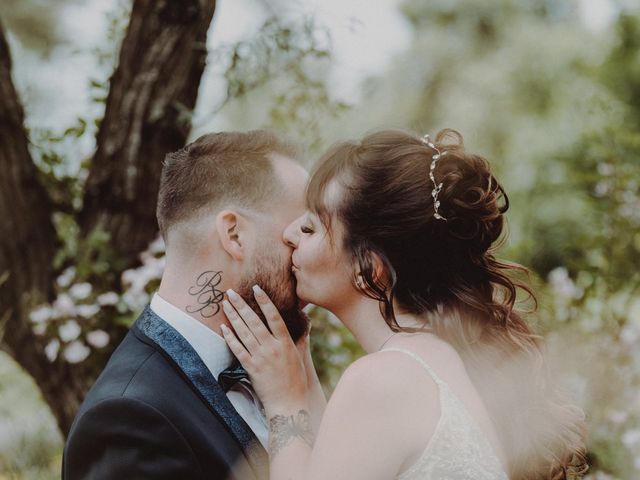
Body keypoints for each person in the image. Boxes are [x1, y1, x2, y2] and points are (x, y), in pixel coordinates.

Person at [221, 129, 589, 479]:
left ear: (370, 269)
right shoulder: (437, 358)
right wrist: (300, 365)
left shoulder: (385, 381)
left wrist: (285, 403)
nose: (289, 234)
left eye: (311, 228)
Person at [62, 130, 318, 480]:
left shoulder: (282, 366)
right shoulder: (128, 419)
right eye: (299, 232)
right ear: (234, 235)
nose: (308, 252)